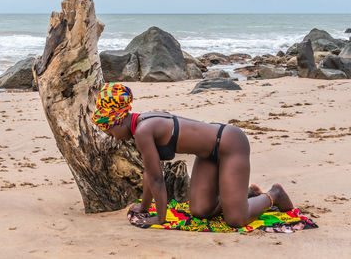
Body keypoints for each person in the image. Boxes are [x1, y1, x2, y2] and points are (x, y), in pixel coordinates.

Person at [92, 83, 294, 228]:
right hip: (208, 154)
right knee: (200, 211)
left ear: (118, 120)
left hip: (230, 144)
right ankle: (244, 194)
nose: (115, 138)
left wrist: (160, 218)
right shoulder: (141, 124)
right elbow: (149, 173)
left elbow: (156, 178)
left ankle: (274, 194)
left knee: (236, 220)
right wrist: (143, 206)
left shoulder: (143, 131)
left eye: (110, 132)